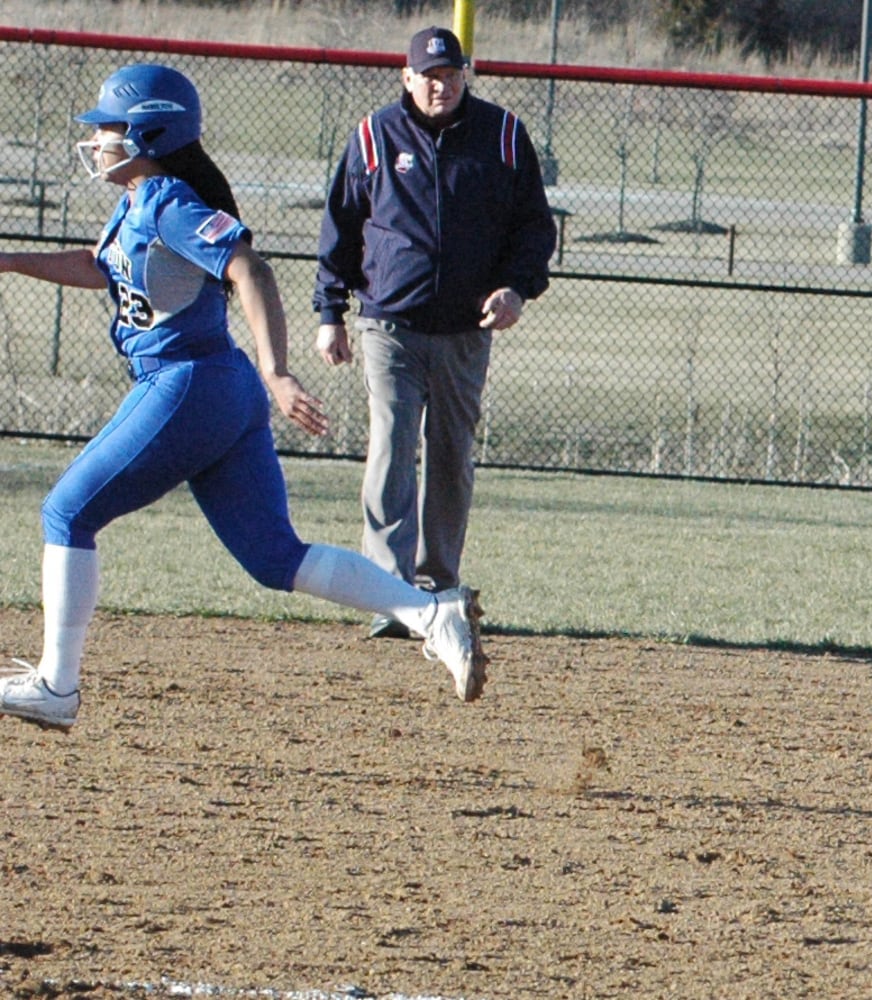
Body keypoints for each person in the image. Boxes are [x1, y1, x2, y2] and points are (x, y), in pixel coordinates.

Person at [0, 64, 488, 731]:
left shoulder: (168, 201)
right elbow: (97, 265)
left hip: (190, 384)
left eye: (109, 128)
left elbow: (247, 266)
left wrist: (278, 371)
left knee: (66, 513)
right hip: (212, 389)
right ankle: (431, 611)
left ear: (149, 131)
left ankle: (57, 686)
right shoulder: (142, 200)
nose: (98, 141)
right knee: (274, 558)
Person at [313, 26, 556, 640]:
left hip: (465, 330)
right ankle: (390, 593)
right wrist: (328, 314)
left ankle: (439, 585)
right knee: (392, 448)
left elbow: (534, 228)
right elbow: (340, 229)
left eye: (450, 74)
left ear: (464, 75)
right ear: (407, 78)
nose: (440, 85)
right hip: (389, 323)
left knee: (450, 457)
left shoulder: (501, 136)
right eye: (428, 75)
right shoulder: (373, 137)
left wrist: (516, 288)